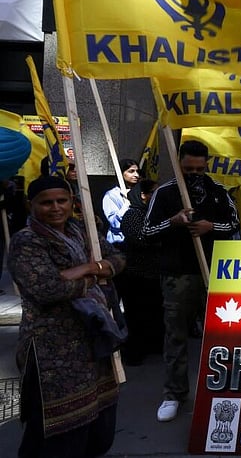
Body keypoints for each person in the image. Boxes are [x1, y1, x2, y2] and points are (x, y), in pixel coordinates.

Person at [9, 176, 126, 457]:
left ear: (72, 202)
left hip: (93, 338)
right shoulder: (26, 241)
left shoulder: (81, 231)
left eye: (61, 201)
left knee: (98, 426)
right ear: (31, 204)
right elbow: (48, 288)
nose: (56, 208)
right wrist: (94, 275)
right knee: (56, 433)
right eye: (46, 203)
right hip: (53, 348)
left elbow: (118, 259)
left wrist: (89, 267)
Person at [143, 141, 240, 423]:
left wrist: (211, 226)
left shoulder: (218, 192)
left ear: (207, 164)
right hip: (177, 275)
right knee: (176, 335)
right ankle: (174, 393)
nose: (195, 173)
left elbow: (233, 224)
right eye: (188, 169)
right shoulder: (165, 193)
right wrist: (172, 222)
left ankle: (221, 390)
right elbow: (146, 231)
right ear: (179, 165)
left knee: (224, 335)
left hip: (216, 274)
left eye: (200, 168)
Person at [118, 179, 164, 366]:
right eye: (154, 192)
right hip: (136, 275)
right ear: (143, 195)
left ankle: (154, 345)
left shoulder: (156, 215)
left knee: (154, 312)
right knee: (136, 315)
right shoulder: (132, 215)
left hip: (155, 274)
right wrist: (162, 236)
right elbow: (140, 239)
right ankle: (135, 351)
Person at [101, 158, 141, 247]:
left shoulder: (140, 193)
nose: (136, 175)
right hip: (119, 243)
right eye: (131, 171)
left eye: (137, 171)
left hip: (138, 243)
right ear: (121, 173)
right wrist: (126, 205)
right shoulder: (111, 195)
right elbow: (115, 223)